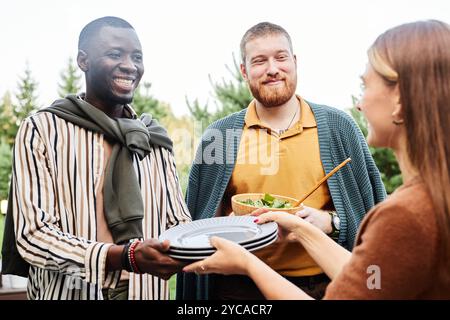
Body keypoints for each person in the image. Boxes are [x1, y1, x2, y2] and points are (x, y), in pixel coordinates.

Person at [183, 20, 450, 299]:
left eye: (281, 57)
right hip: (237, 290)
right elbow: (198, 222)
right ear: (244, 71)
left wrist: (331, 222)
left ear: (295, 61)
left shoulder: (341, 130)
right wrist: (281, 229)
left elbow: (370, 226)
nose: (272, 69)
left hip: (324, 280)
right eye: (260, 60)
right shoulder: (220, 135)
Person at [1, 16, 191, 300]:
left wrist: (224, 235)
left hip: (145, 291)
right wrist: (121, 257)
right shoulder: (42, 129)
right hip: (70, 292)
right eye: (115, 54)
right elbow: (33, 235)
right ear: (83, 60)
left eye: (137, 56)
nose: (130, 65)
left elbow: (178, 222)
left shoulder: (154, 138)